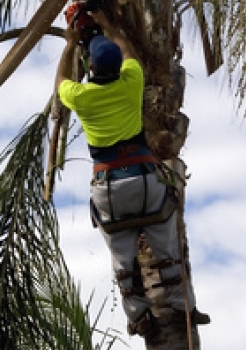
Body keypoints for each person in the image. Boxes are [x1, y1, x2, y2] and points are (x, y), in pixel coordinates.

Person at [55, 8, 210, 336]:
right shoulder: (132, 80)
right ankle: (183, 308)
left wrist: (70, 44)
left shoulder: (81, 97)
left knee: (124, 263)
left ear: (91, 67)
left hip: (110, 189)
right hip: (144, 181)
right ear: (117, 69)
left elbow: (62, 83)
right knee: (167, 249)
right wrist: (110, 24)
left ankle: (139, 317)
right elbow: (126, 48)